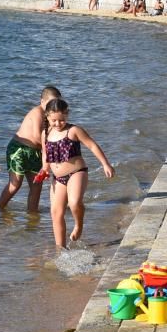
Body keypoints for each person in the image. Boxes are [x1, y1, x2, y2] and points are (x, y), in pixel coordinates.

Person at [41, 98, 115, 248]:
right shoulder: (46, 133)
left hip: (77, 173)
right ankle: (60, 249)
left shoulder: (73, 130)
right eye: (54, 120)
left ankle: (78, 225)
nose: (57, 123)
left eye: (61, 120)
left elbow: (92, 145)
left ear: (67, 115)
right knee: (56, 212)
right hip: (58, 178)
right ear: (47, 116)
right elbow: (45, 153)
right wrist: (45, 168)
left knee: (74, 203)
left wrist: (105, 164)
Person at [0, 85, 61, 211]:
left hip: (36, 152)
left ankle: (32, 215)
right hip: (19, 149)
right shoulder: (37, 112)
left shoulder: (52, 117)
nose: (54, 105)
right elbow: (39, 136)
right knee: (15, 184)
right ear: (42, 101)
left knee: (37, 185)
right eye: (51, 102)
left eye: (57, 103)